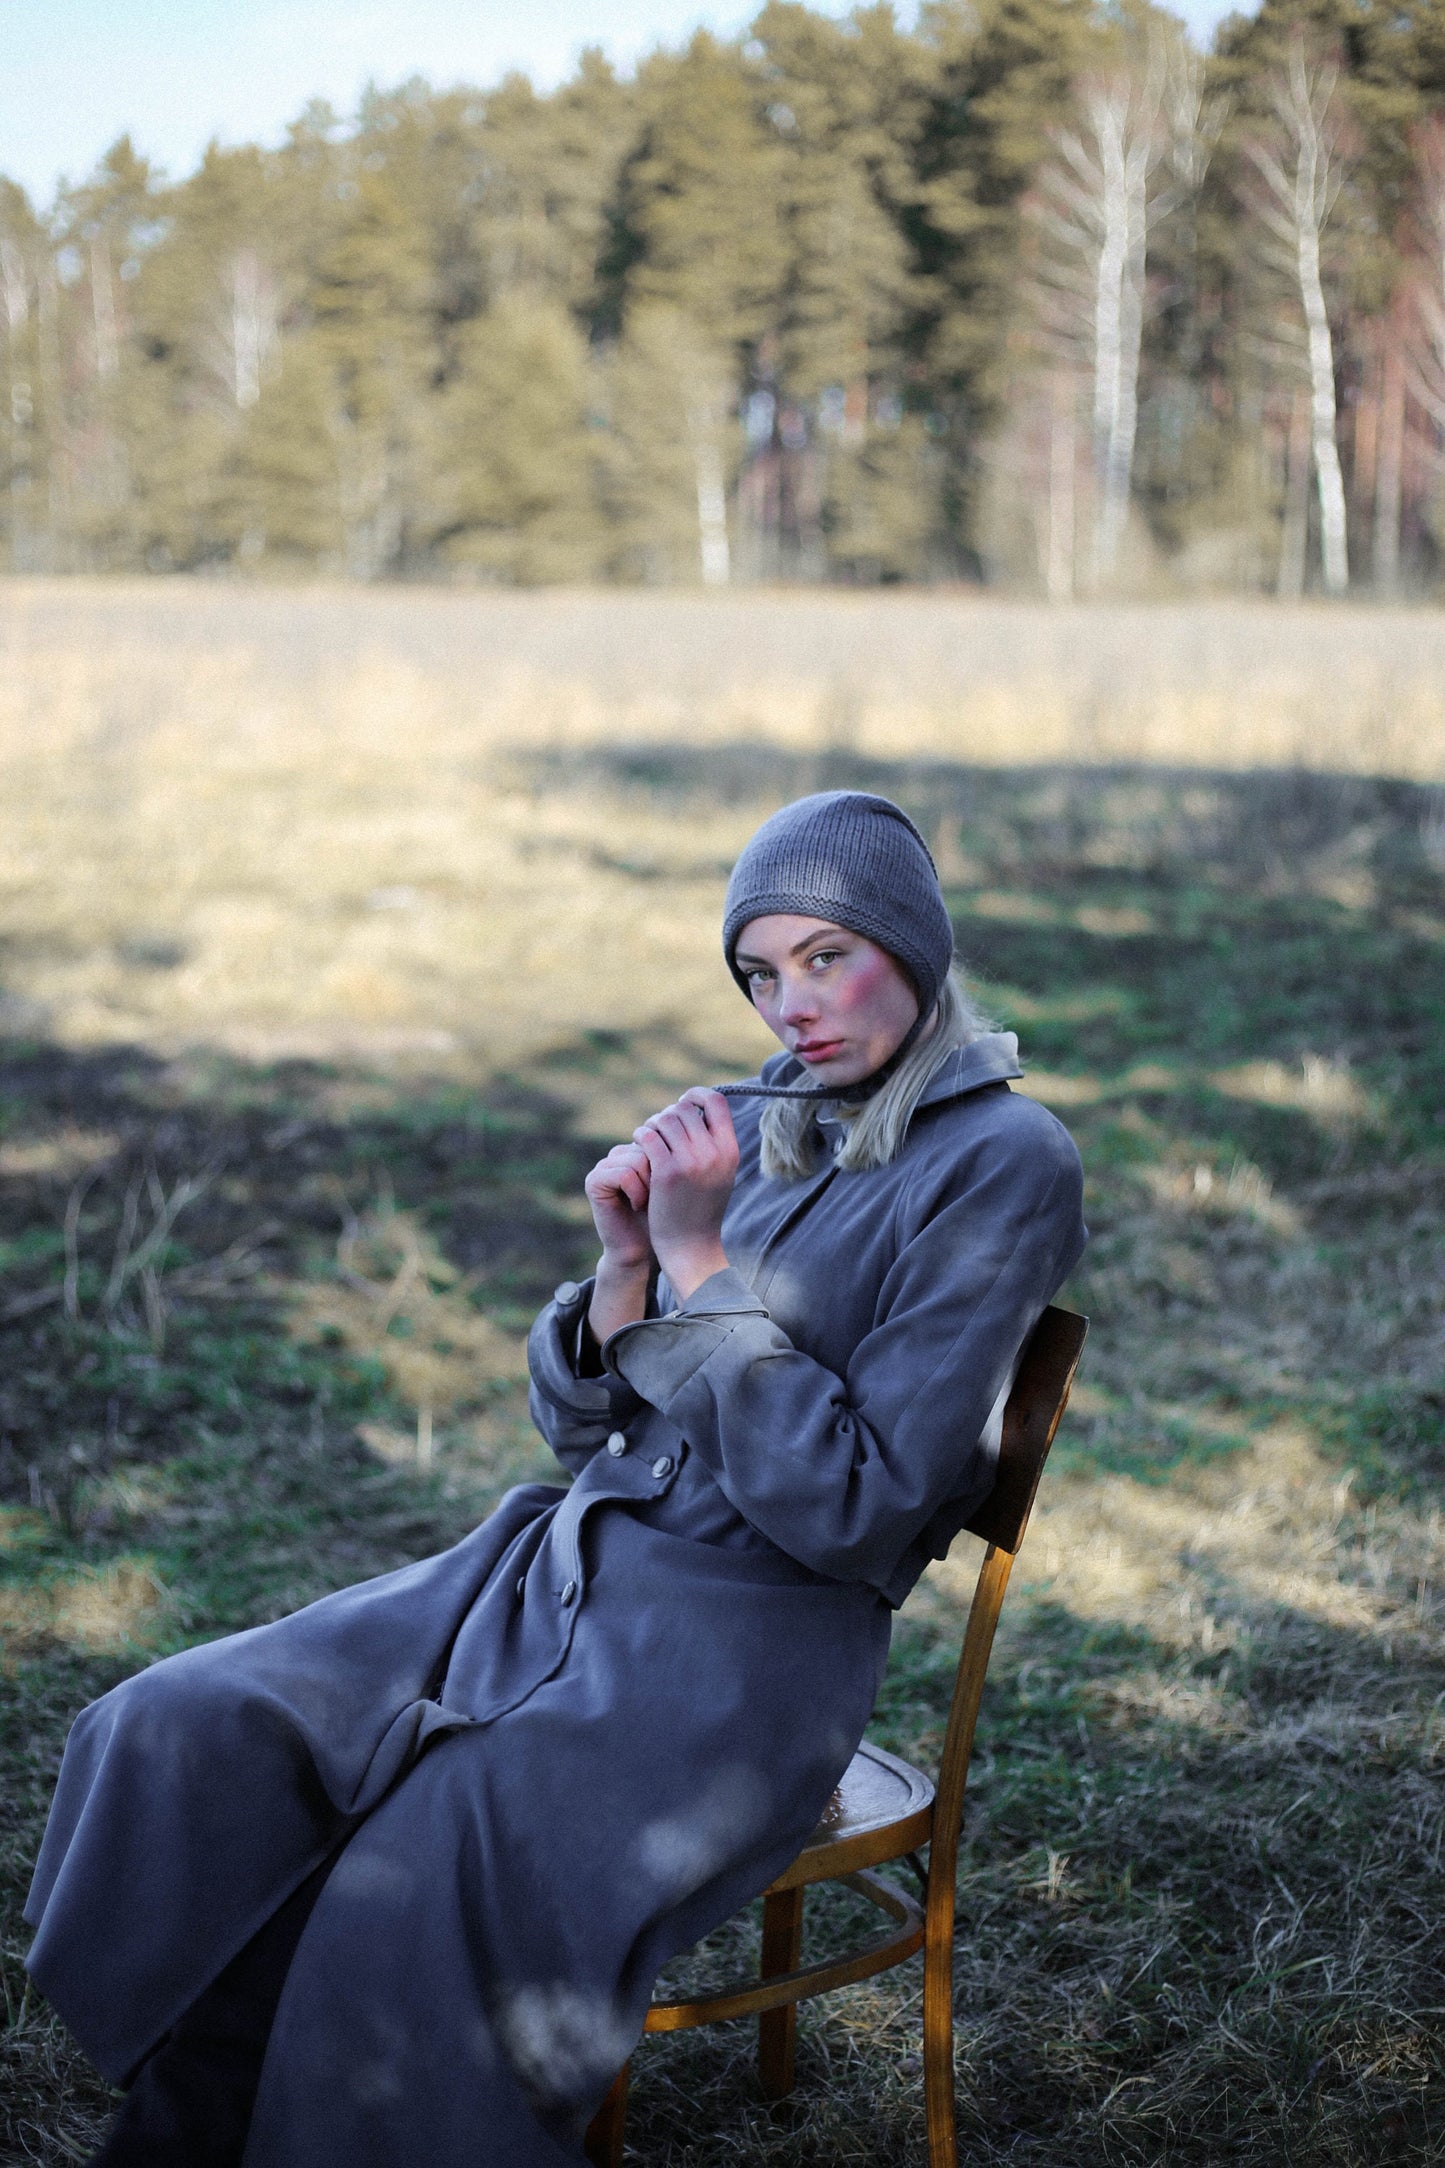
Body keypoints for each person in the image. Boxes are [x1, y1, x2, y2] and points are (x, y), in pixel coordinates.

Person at [24, 790, 1086, 2167]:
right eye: (760, 974)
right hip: (553, 1573)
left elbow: (858, 1507)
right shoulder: (775, 1121)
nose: (792, 1008)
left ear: (912, 945)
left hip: (738, 1657)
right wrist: (625, 1271)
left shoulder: (1006, 1162)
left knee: (420, 1858)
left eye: (827, 957)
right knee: (191, 1724)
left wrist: (698, 1263)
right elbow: (590, 1439)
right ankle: (194, 2125)